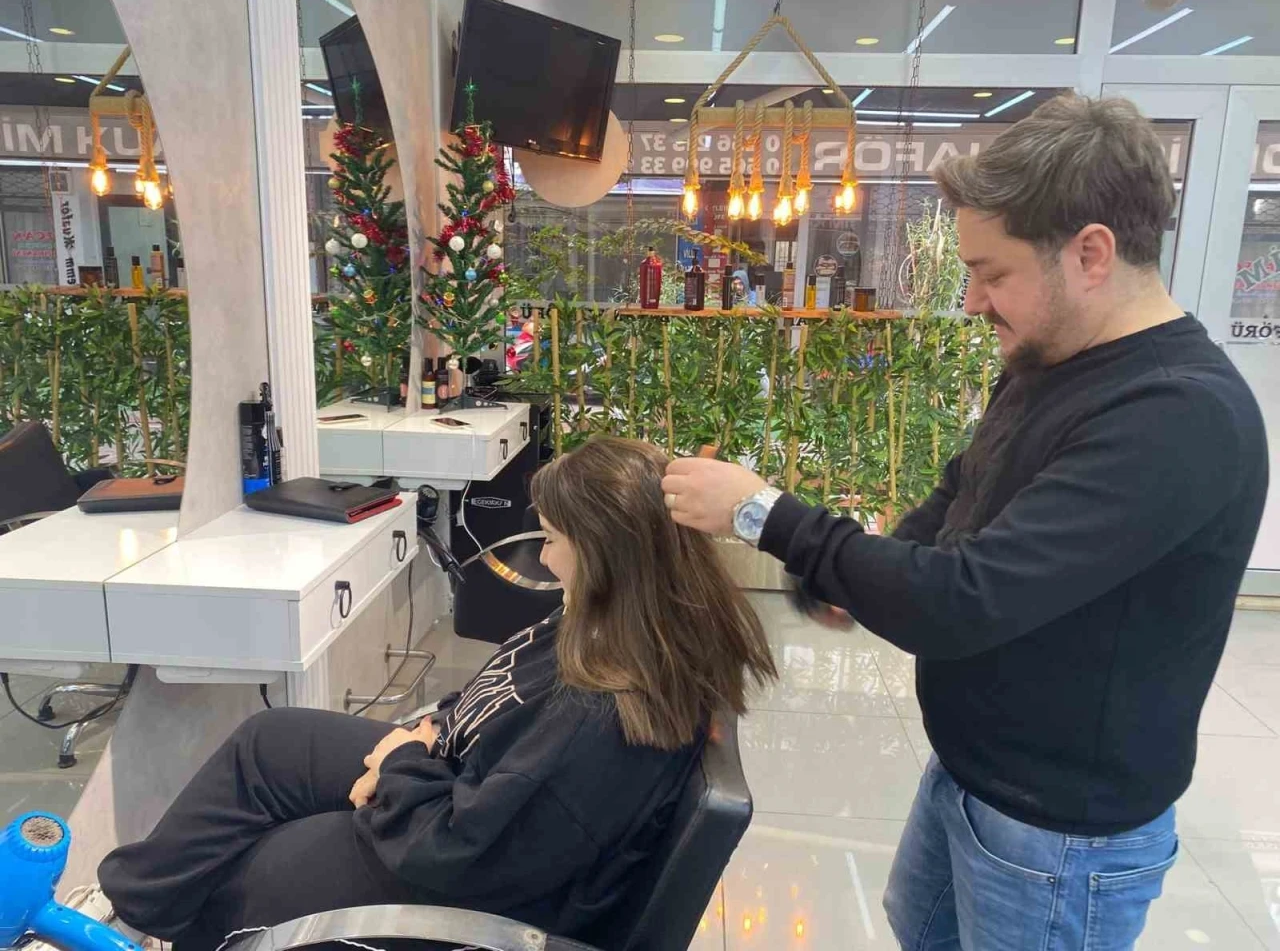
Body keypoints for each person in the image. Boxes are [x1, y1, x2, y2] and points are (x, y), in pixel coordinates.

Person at [660, 94, 1268, 950]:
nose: (975, 301)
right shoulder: (1054, 360)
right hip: (974, 774)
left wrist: (764, 514)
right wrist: (863, 571)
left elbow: (963, 602)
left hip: (1059, 832)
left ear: (1091, 253)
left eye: (994, 273)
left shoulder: (1176, 416)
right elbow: (966, 489)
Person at [98, 436, 776, 951]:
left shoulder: (596, 716)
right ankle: (125, 915)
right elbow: (500, 703)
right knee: (266, 744)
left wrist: (398, 766)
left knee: (243, 880)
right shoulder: (617, 621)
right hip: (461, 786)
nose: (543, 558)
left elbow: (461, 850)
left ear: (606, 553)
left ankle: (157, 926)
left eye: (552, 540)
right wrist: (422, 735)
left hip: (464, 872)